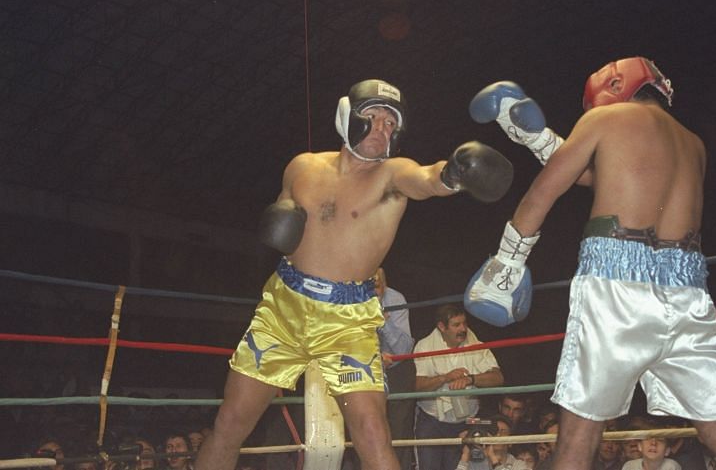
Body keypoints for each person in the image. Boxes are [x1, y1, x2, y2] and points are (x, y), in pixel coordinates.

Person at [464, 58, 716, 470]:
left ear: (611, 87)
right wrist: (537, 138)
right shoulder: (692, 143)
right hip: (686, 288)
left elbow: (543, 192)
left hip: (617, 282)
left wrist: (506, 262)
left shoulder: (606, 118)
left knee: (580, 431)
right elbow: (610, 174)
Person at [195, 79, 514, 470]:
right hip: (284, 308)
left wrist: (453, 176)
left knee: (371, 431)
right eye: (374, 117)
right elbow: (283, 225)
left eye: (390, 124)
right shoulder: (302, 166)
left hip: (347, 319)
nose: (382, 129)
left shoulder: (392, 175)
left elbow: (427, 179)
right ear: (348, 116)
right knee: (230, 422)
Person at [414, 304, 504, 470]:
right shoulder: (424, 346)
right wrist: (445, 378)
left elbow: (498, 378)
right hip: (431, 421)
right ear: (442, 327)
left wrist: (471, 379)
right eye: (456, 325)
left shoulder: (475, 344)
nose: (463, 329)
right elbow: (417, 386)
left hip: (466, 422)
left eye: (464, 323)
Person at [376, 267, 417, 470]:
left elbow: (404, 348)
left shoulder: (395, 298)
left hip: (396, 370)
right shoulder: (348, 297)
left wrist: (382, 320)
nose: (375, 288)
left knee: (399, 434)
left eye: (378, 283)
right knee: (366, 429)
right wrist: (373, 357)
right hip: (365, 368)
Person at [455, 415, 528, 470]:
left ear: (511, 442)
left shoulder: (519, 465)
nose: (498, 434)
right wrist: (465, 456)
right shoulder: (474, 462)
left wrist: (493, 458)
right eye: (494, 431)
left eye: (503, 431)